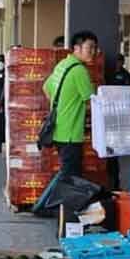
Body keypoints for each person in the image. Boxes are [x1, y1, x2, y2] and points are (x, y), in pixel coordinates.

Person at [43, 31, 97, 178]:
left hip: (58, 129)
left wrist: (63, 105)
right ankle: (52, 201)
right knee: (70, 177)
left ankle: (57, 201)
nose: (93, 52)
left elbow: (46, 88)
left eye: (95, 48)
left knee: (67, 174)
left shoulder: (63, 64)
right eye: (89, 47)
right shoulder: (79, 70)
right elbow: (93, 102)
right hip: (71, 135)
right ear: (77, 48)